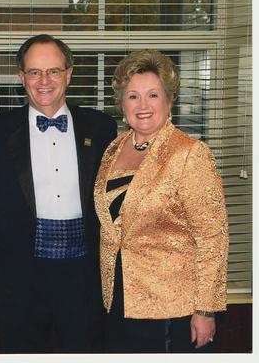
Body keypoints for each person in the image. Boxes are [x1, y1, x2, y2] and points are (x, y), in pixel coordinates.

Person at [93, 49, 229, 353]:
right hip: (117, 302)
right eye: (133, 96)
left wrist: (206, 310)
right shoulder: (114, 148)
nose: (142, 106)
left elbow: (212, 238)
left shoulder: (190, 153)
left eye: (152, 95)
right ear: (122, 103)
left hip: (171, 308)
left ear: (169, 101)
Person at [0, 34, 117, 353]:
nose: (44, 81)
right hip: (21, 278)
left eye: (53, 71)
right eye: (34, 72)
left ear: (69, 74)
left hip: (83, 277)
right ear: (21, 77)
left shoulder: (101, 128)